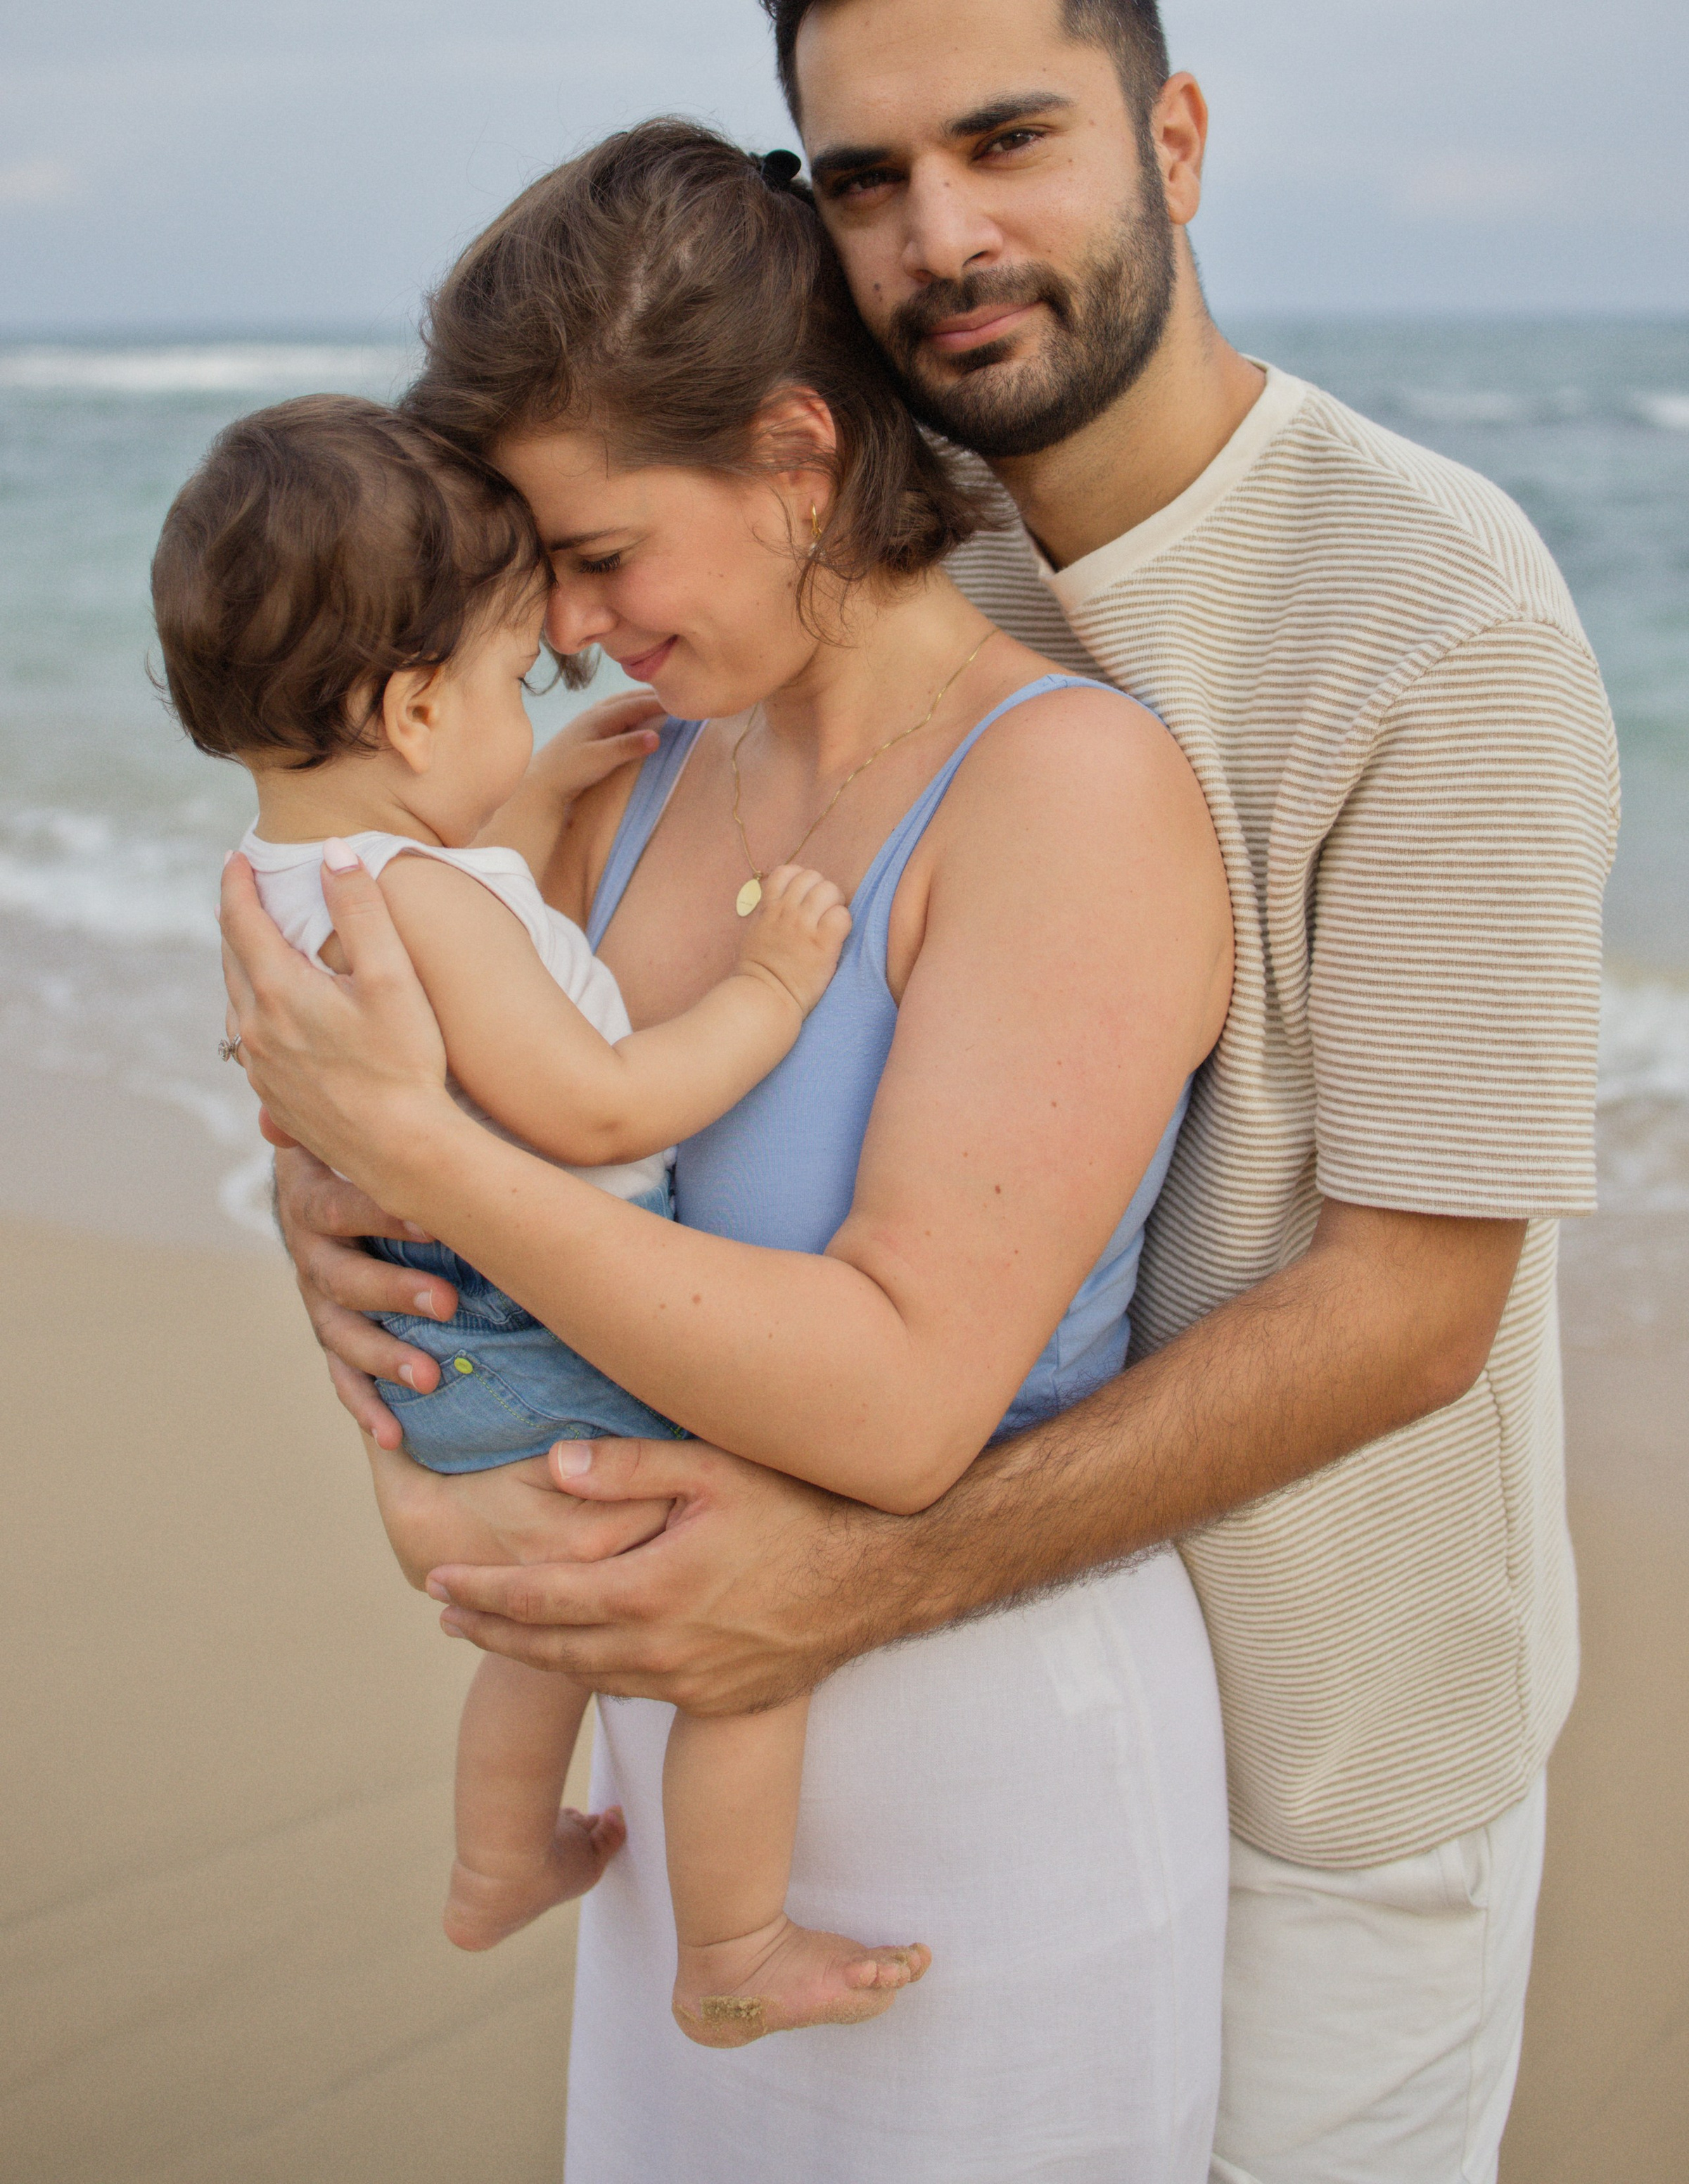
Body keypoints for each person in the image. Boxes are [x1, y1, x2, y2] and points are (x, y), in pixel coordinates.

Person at [252, 0, 1617, 2183]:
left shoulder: (1434, 621)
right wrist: (358, 1229)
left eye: (1010, 142)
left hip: (1329, 1734)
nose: (940, 240)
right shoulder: (872, 585)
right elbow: (570, 1105)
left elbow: (1409, 1306)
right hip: (837, 1714)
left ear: (1171, 137)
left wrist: (858, 1572)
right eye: (866, 176)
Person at [222, 121, 1236, 2176]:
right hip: (672, 1806)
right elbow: (475, 1206)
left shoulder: (1068, 793)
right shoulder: (621, 789)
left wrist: (414, 1142)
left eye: (598, 555)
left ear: (792, 452)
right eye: (538, 582)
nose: (573, 629)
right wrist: (333, 1225)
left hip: (980, 1800)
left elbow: (888, 1410)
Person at [154, 395, 980, 2033]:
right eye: (505, 682)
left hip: (441, 1364)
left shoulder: (276, 886)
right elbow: (596, 1102)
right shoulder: (434, 902)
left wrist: (521, 802)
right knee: (736, 1627)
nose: (549, 686)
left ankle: (497, 1862)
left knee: (543, 1632)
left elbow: (445, 953)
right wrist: (766, 987)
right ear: (408, 706)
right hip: (549, 1335)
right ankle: (732, 1951)